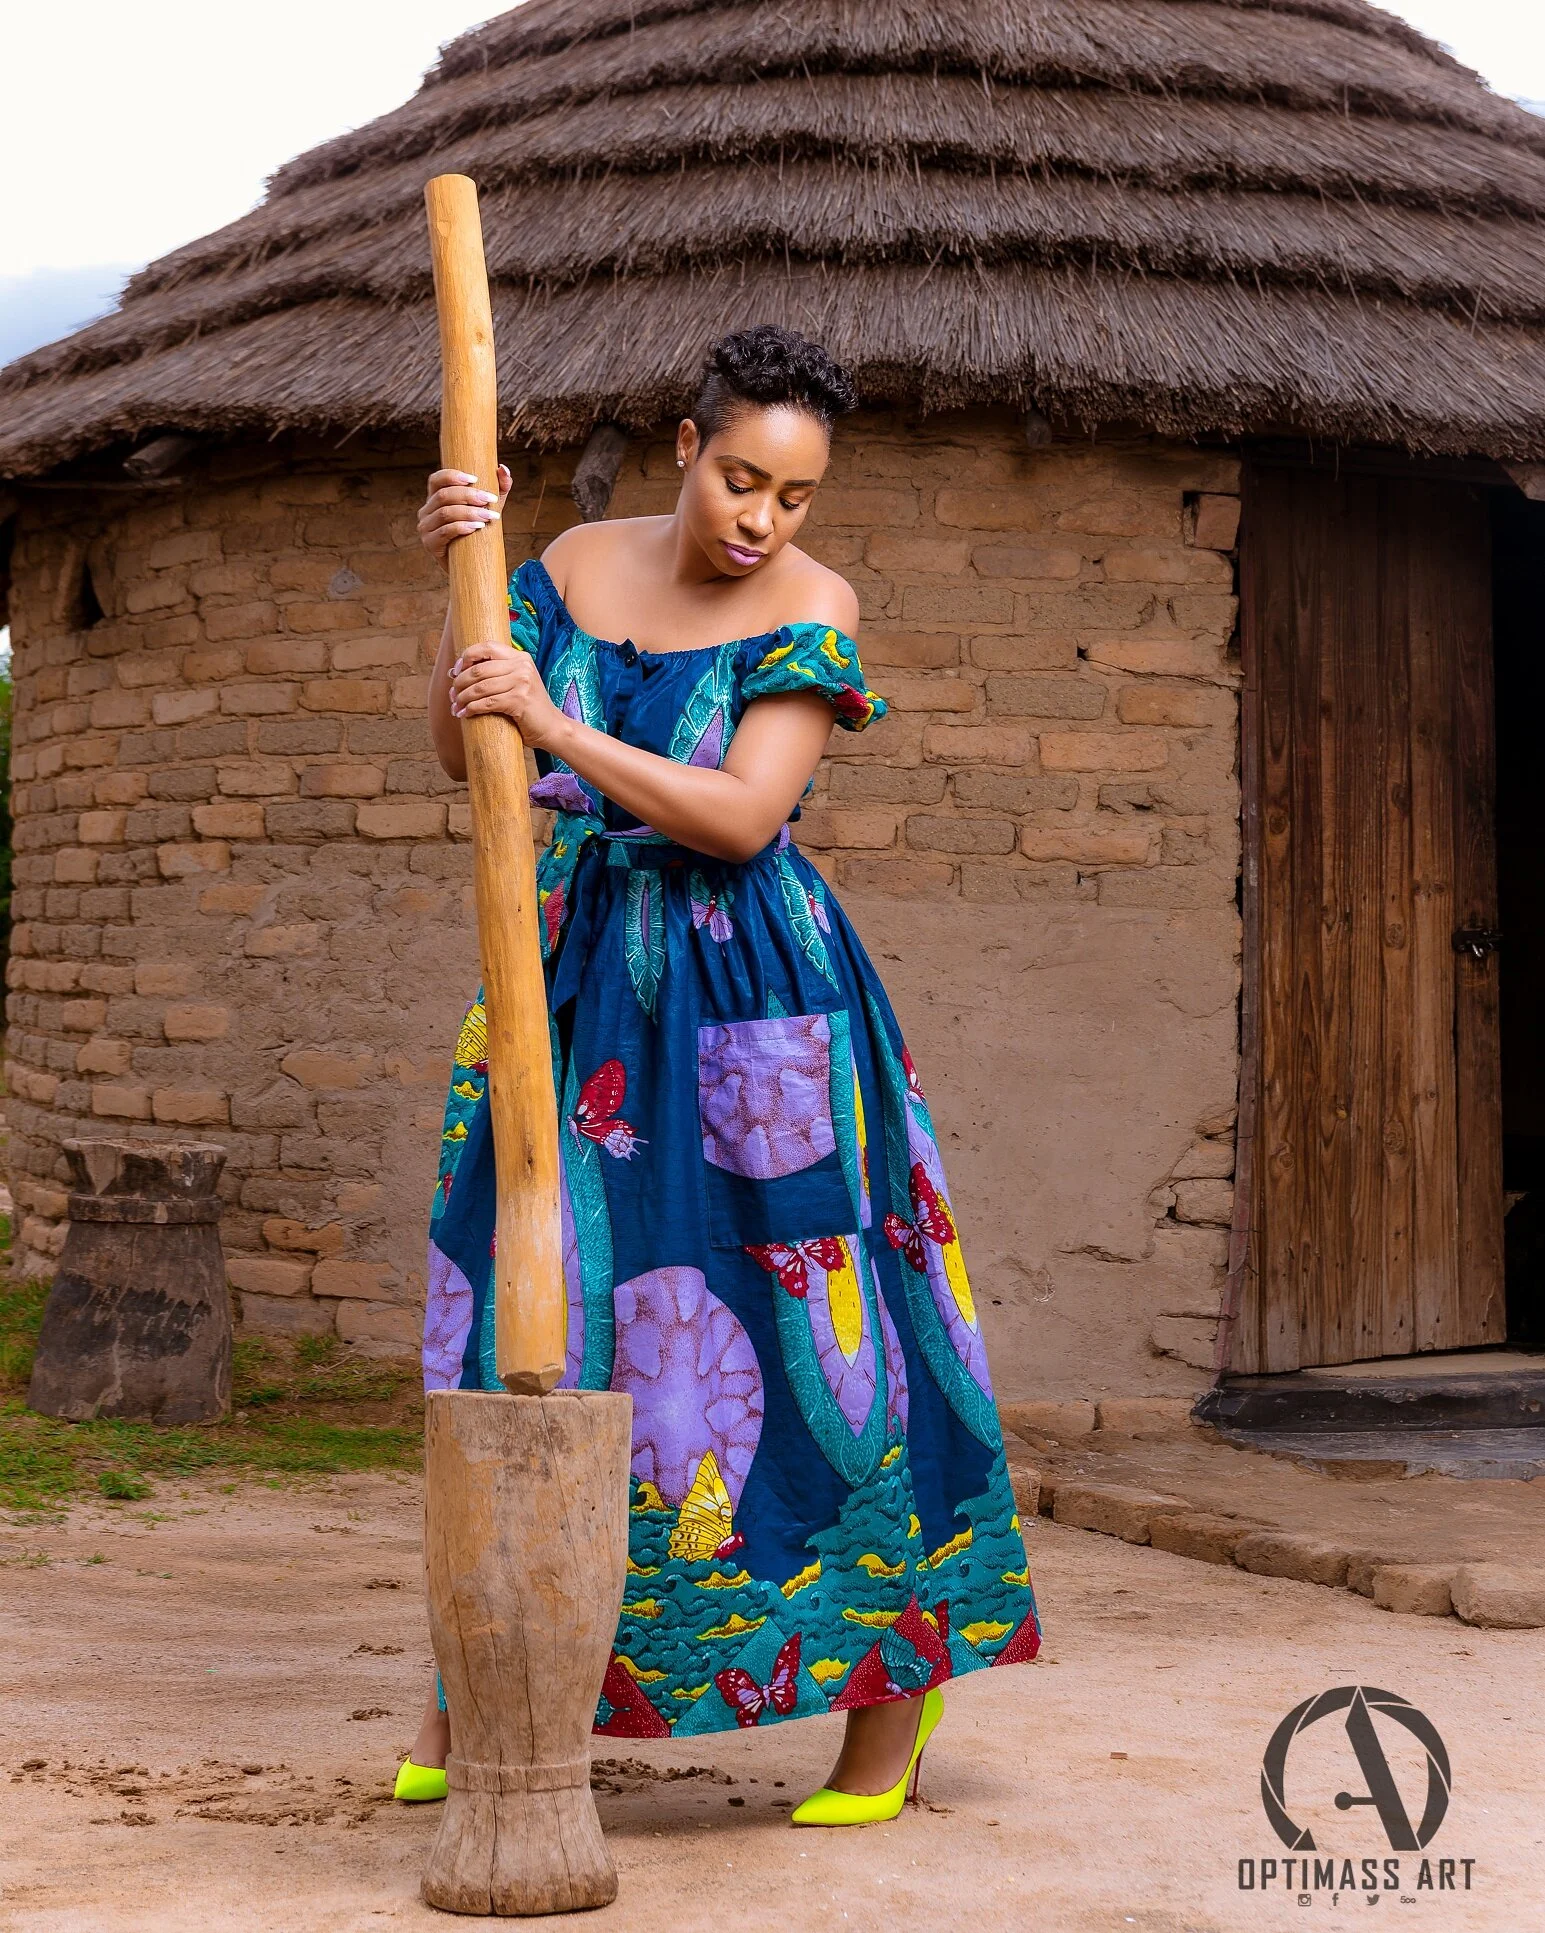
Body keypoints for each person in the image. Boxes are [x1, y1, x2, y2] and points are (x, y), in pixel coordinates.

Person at [398, 325, 1040, 1825]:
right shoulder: (560, 564)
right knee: (521, 1312)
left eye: (795, 495)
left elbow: (745, 817)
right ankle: (491, 1685)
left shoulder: (816, 608)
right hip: (563, 987)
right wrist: (463, 590)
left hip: (756, 997)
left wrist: (558, 725)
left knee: (824, 1335)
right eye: (742, 478)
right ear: (688, 449)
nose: (762, 520)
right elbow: (455, 751)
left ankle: (891, 1704)